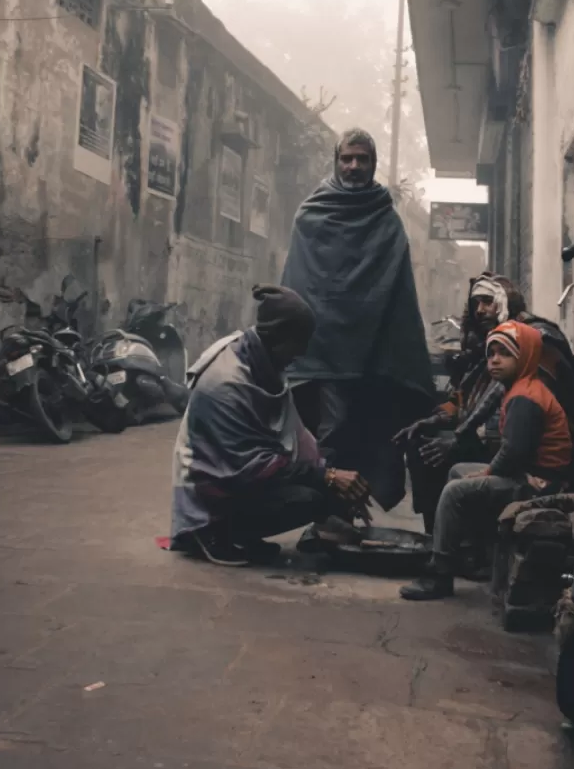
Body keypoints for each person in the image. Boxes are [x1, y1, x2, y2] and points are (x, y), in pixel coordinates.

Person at [281, 128, 435, 510]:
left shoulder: (387, 221)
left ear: (373, 164)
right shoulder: (311, 215)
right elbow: (301, 284)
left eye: (362, 159)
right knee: (331, 432)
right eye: (347, 158)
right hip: (325, 353)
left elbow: (397, 291)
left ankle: (347, 511)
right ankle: (327, 513)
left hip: (374, 353)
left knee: (372, 433)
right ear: (336, 161)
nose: (353, 166)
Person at [169, 285, 370, 566]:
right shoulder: (226, 384)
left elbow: (295, 438)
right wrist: (328, 477)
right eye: (299, 342)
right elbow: (247, 466)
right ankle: (214, 533)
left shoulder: (261, 362)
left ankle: (243, 533)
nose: (301, 352)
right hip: (212, 493)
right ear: (278, 337)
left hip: (247, 471)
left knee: (328, 466)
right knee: (306, 497)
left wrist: (331, 478)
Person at [400, 319, 573, 601]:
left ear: (526, 356)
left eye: (504, 354)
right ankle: (468, 552)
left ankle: (440, 573)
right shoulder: (520, 388)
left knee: (455, 490)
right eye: (491, 354)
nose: (494, 361)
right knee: (458, 471)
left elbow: (514, 453)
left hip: (539, 485)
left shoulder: (525, 398)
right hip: (529, 475)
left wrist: (487, 472)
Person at [396, 275, 511, 534]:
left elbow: (492, 408)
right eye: (476, 303)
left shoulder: (513, 345)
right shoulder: (480, 350)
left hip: (499, 441)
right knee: (422, 439)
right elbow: (461, 400)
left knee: (435, 452)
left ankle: (448, 539)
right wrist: (432, 420)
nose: (481, 310)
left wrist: (457, 441)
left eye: (488, 302)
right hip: (476, 433)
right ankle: (433, 533)